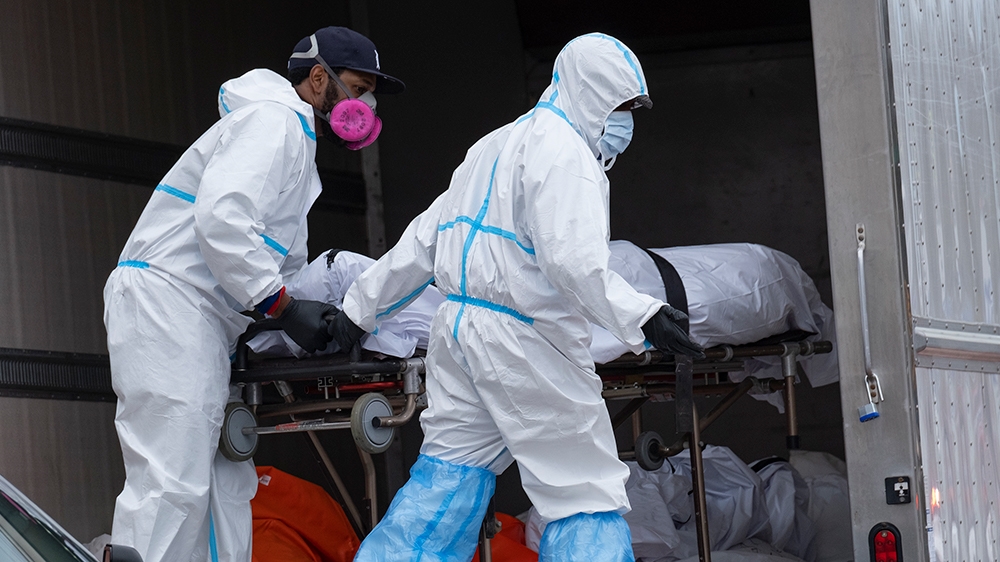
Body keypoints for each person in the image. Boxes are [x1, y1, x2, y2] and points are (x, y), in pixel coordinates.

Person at [328, 33, 703, 562]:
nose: (627, 123)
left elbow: (426, 237)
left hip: (459, 335)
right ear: (590, 94)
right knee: (583, 492)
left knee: (447, 479)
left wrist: (357, 310)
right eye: (622, 107)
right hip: (525, 339)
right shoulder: (567, 153)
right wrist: (644, 315)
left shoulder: (493, 145)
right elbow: (571, 261)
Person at [102, 26, 403, 562]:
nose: (365, 107)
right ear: (318, 79)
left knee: (223, 483)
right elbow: (222, 221)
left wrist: (317, 311)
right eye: (358, 90)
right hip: (169, 302)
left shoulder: (297, 149)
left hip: (204, 319)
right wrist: (284, 309)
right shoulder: (274, 122)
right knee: (171, 482)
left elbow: (281, 266)